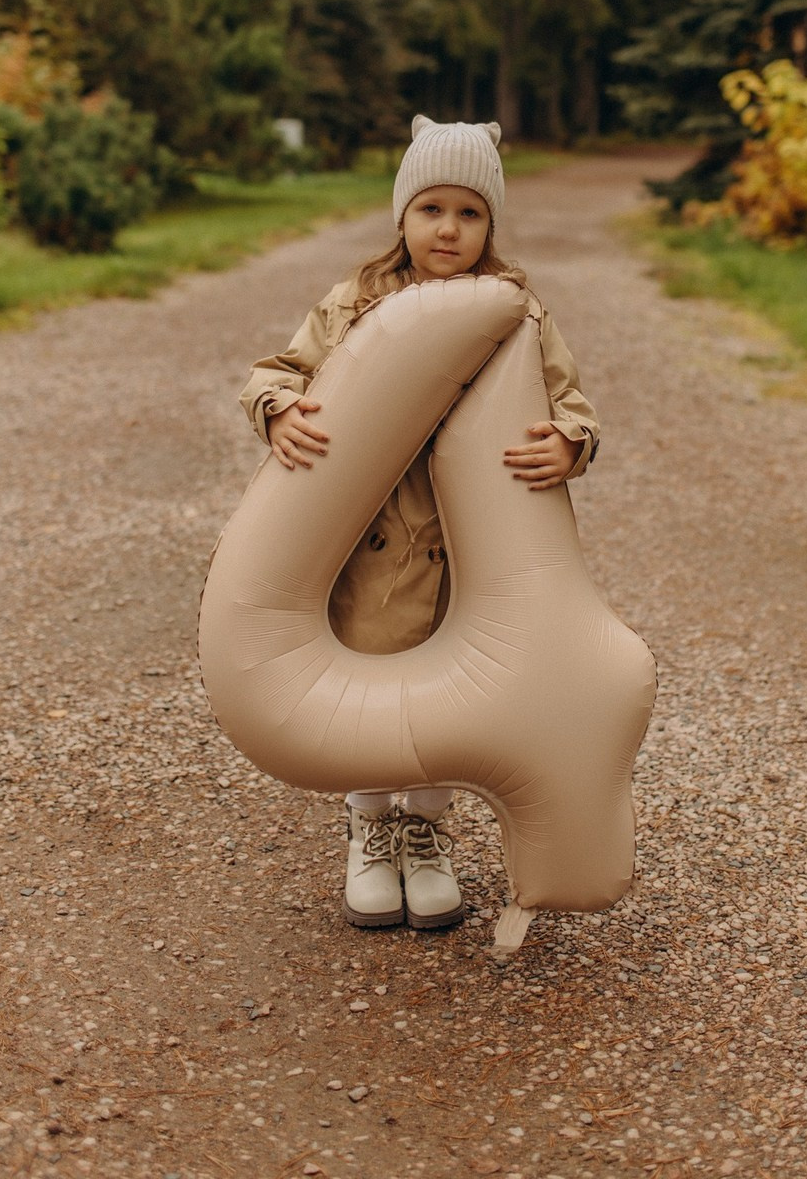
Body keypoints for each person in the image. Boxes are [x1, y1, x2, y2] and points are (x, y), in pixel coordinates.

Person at [239, 115, 600, 932]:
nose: (449, 228)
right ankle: (372, 825)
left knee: (456, 693)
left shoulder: (517, 311)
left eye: (470, 214)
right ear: (401, 216)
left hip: (468, 546)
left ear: (491, 226)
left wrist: (570, 441)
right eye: (431, 208)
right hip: (375, 544)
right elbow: (279, 369)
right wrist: (277, 409)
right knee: (367, 687)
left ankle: (425, 830)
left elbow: (568, 398)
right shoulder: (355, 301)